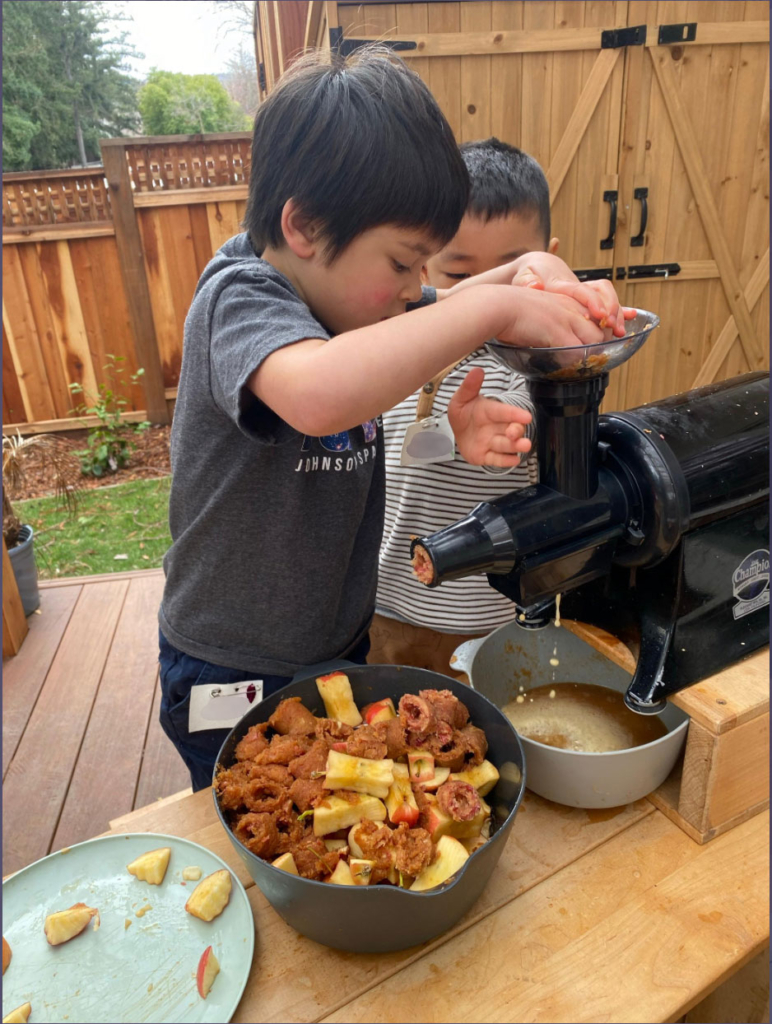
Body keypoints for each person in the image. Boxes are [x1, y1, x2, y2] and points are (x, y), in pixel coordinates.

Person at [157, 47, 630, 791]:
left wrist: (530, 275)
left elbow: (450, 307)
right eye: (405, 263)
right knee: (257, 819)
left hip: (335, 641)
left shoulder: (345, 296)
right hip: (233, 665)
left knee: (335, 811)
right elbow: (320, 395)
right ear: (304, 226)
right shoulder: (239, 298)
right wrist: (498, 305)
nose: (417, 289)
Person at [369, 139, 561, 678]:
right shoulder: (392, 349)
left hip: (493, 623)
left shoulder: (539, 360)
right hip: (388, 608)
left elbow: (530, 407)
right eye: (460, 276)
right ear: (422, 270)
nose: (486, 301)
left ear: (548, 258)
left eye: (510, 273)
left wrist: (501, 423)